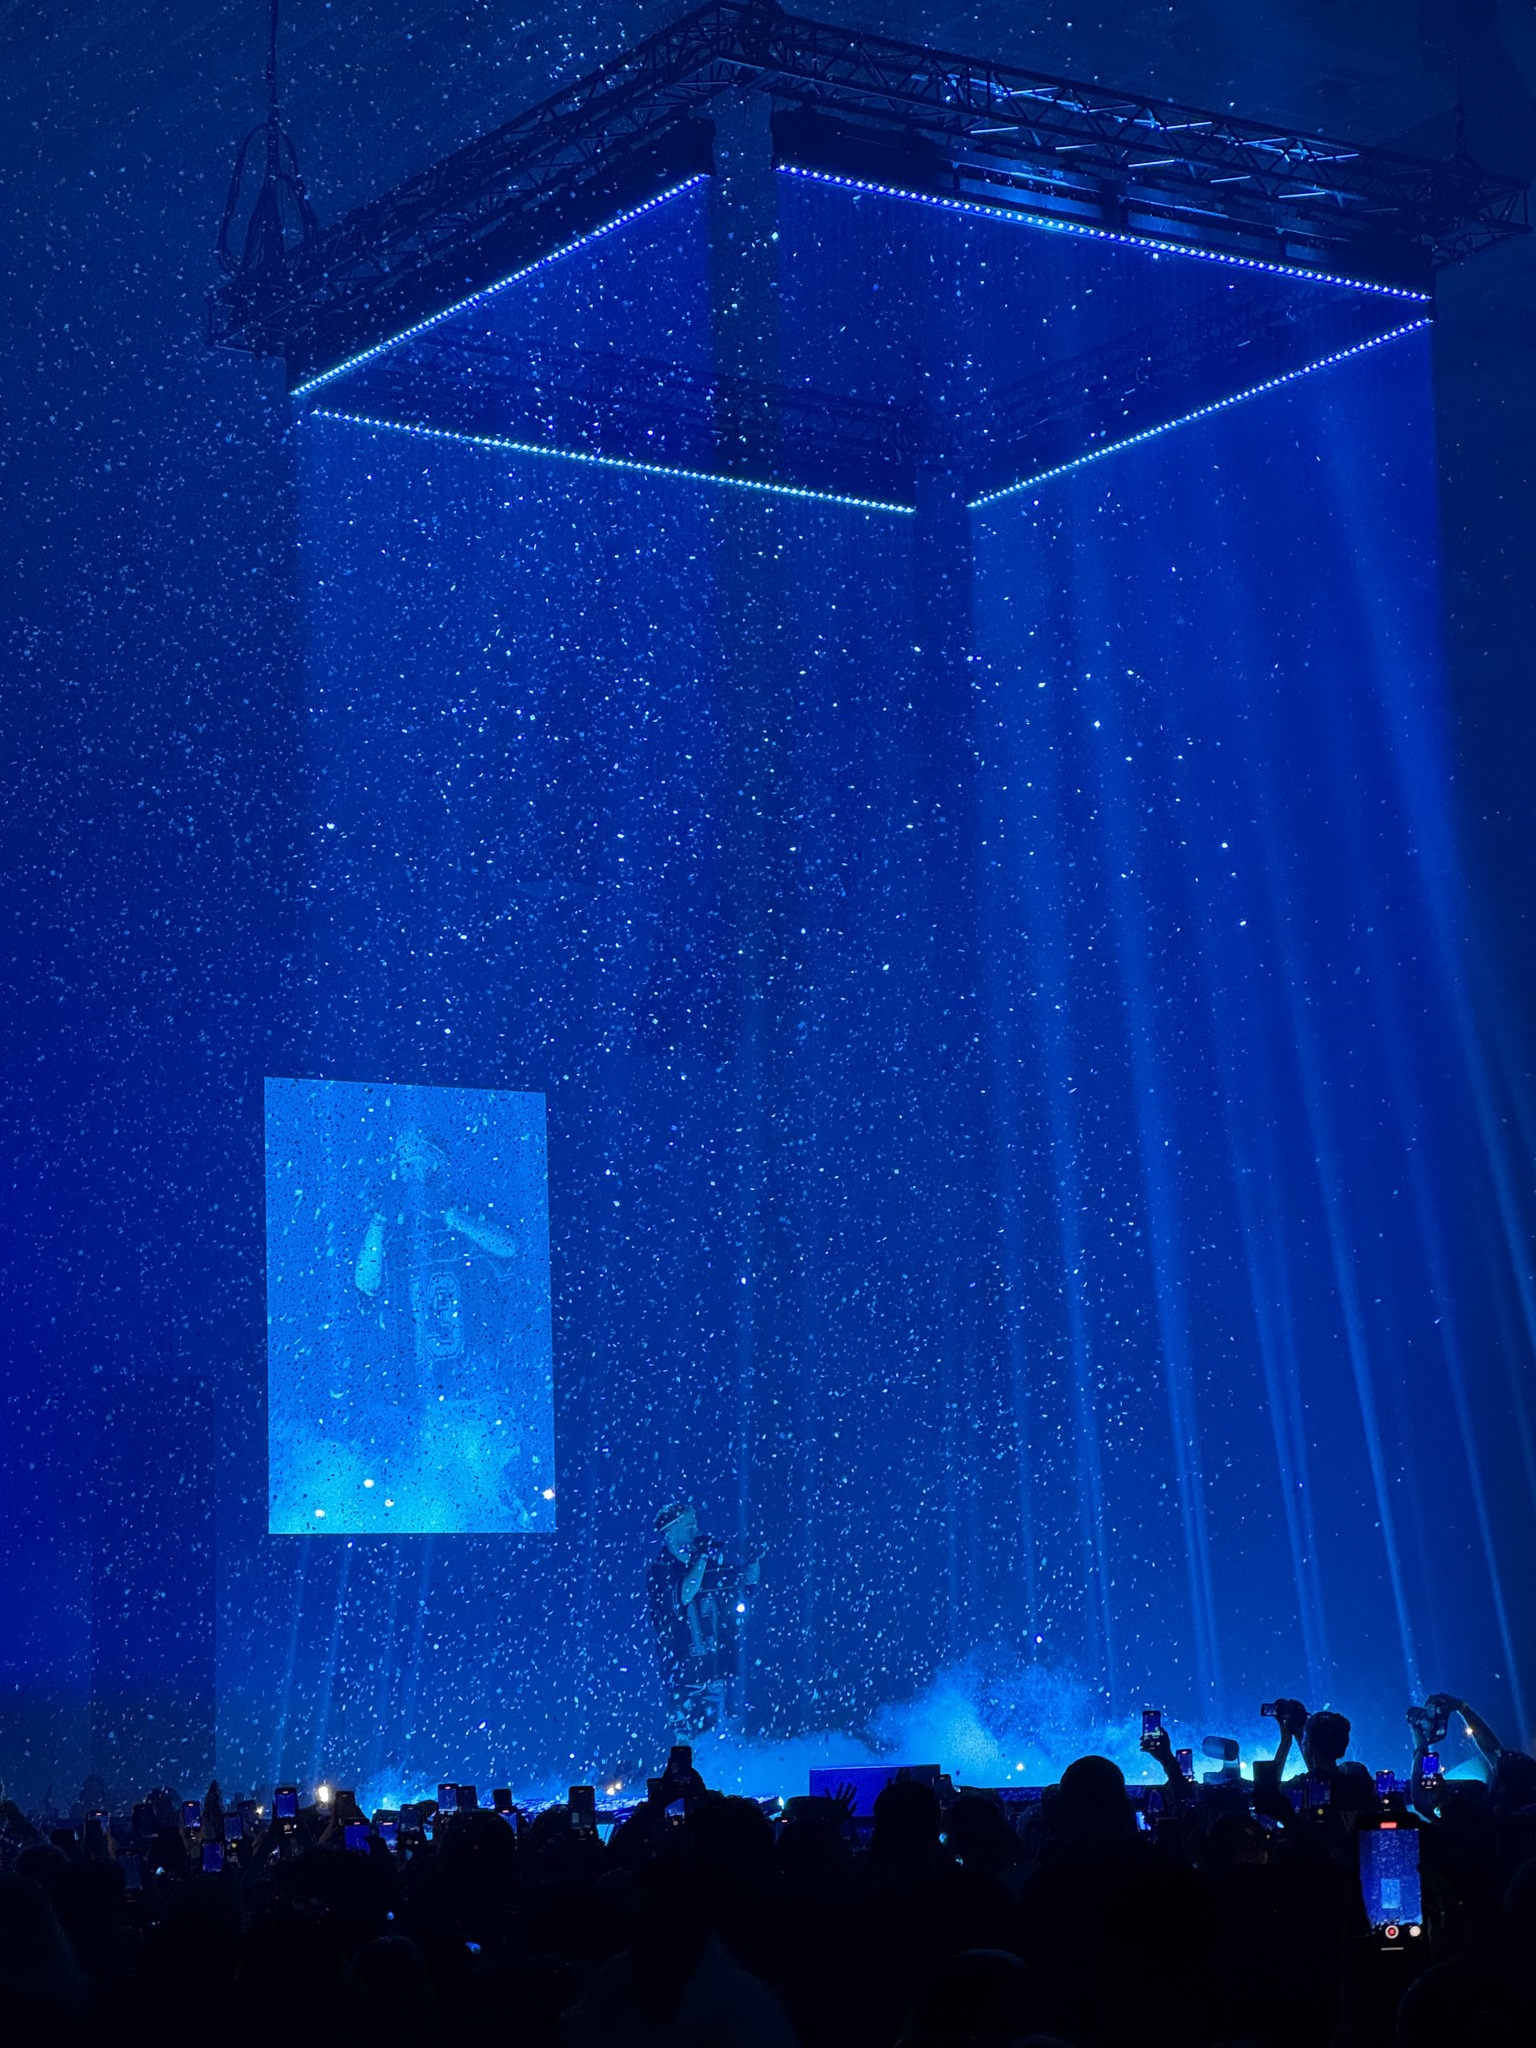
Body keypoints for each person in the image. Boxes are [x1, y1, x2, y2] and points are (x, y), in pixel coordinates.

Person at [647, 1502, 761, 1738]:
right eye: (689, 1527)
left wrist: (753, 1562)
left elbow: (747, 1584)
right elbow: (683, 1595)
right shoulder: (661, 1570)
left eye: (695, 1525)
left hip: (715, 1672)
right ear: (670, 1533)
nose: (696, 1531)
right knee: (685, 1743)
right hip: (684, 1677)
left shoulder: (707, 1565)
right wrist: (702, 1558)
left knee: (717, 1740)